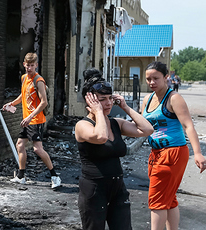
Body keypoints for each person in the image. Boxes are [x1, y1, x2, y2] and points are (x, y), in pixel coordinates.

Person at [75, 68, 154, 230]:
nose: (109, 103)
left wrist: (126, 107)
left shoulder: (116, 123)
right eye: (102, 99)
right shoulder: (82, 125)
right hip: (94, 191)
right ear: (89, 102)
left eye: (111, 98)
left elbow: (147, 130)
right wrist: (98, 113)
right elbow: (101, 137)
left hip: (117, 189)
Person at [142, 61, 206, 230]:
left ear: (166, 77)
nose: (151, 82)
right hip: (156, 153)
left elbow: (188, 126)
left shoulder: (173, 98)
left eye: (156, 78)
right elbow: (141, 126)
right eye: (148, 79)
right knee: (168, 198)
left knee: (157, 200)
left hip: (173, 152)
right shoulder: (147, 99)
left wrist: (198, 153)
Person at [2, 52, 61, 189]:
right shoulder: (24, 78)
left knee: (37, 149)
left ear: (36, 65)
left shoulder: (38, 80)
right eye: (27, 65)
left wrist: (29, 117)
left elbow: (44, 103)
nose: (29, 68)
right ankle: (21, 176)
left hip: (36, 120)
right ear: (24, 64)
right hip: (26, 120)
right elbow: (23, 96)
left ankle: (55, 176)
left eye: (32, 66)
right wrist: (11, 104)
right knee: (20, 145)